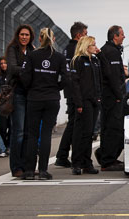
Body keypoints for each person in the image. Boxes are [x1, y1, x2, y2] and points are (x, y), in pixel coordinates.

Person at [20, 28, 68, 180]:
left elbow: (25, 77)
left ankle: (28, 171)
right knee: (46, 134)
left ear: (39, 39)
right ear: (53, 40)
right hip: (52, 99)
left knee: (32, 134)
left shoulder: (32, 55)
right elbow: (66, 79)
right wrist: (55, 88)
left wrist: (32, 89)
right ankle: (43, 171)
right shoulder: (59, 57)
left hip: (34, 98)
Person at [55, 22, 88, 168]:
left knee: (73, 123)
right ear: (79, 35)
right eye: (85, 34)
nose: (86, 37)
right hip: (76, 92)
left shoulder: (66, 49)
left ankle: (62, 155)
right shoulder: (77, 49)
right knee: (75, 124)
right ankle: (63, 155)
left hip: (69, 91)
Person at [5, 24, 35, 177]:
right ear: (18, 35)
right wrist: (28, 69)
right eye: (22, 34)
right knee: (19, 132)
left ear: (31, 37)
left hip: (30, 93)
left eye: (27, 35)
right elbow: (11, 68)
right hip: (17, 93)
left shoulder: (32, 50)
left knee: (29, 133)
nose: (24, 37)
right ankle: (16, 167)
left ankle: (27, 166)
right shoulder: (12, 49)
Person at [71, 36, 103, 175]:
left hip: (94, 100)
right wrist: (78, 103)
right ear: (86, 46)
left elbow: (101, 79)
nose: (95, 47)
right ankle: (77, 163)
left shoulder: (95, 60)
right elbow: (75, 84)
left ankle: (86, 162)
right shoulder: (78, 61)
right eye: (93, 45)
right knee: (81, 133)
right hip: (83, 101)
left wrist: (99, 97)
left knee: (89, 133)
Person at [97, 25, 126, 172]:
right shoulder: (112, 52)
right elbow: (114, 77)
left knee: (108, 127)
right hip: (112, 97)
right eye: (122, 34)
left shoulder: (107, 50)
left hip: (107, 96)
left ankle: (104, 155)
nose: (124, 37)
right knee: (114, 128)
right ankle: (108, 160)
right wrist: (120, 96)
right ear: (115, 36)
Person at [0, 56, 11, 153]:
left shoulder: (11, 75)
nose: (3, 65)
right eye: (1, 63)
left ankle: (9, 146)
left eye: (5, 63)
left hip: (10, 105)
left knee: (11, 126)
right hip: (1, 105)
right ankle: (2, 145)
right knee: (2, 127)